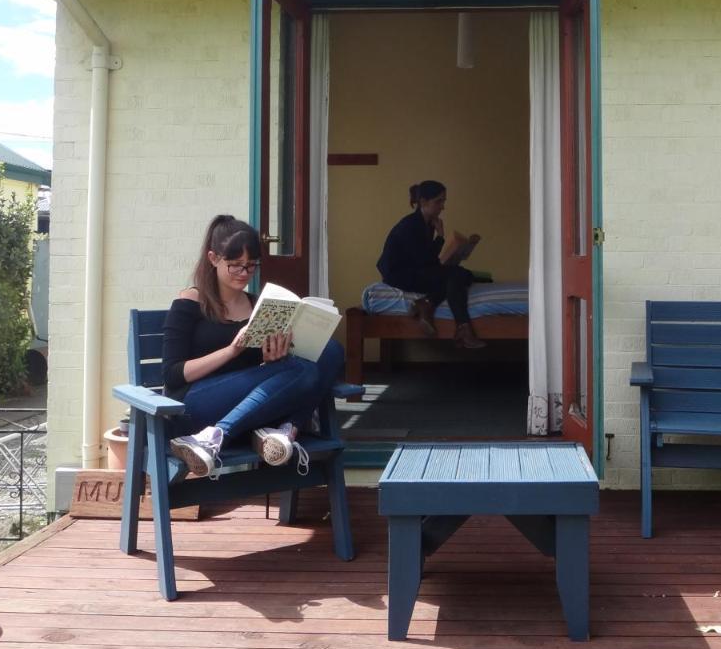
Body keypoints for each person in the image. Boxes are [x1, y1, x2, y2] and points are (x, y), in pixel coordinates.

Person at [162, 214, 346, 478]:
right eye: (235, 265)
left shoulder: (258, 306)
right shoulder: (190, 302)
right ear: (214, 259)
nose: (244, 273)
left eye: (251, 266)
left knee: (331, 352)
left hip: (249, 407)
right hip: (196, 404)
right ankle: (212, 436)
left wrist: (272, 360)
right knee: (301, 370)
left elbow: (257, 372)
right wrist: (231, 350)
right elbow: (172, 374)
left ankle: (285, 429)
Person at [377, 180, 485, 349]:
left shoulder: (426, 224)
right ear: (423, 202)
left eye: (444, 201)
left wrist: (447, 255)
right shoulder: (410, 225)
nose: (443, 206)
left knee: (462, 275)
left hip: (414, 270)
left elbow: (427, 259)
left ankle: (427, 304)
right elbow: (426, 261)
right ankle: (462, 328)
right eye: (439, 201)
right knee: (458, 275)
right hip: (399, 274)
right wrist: (441, 236)